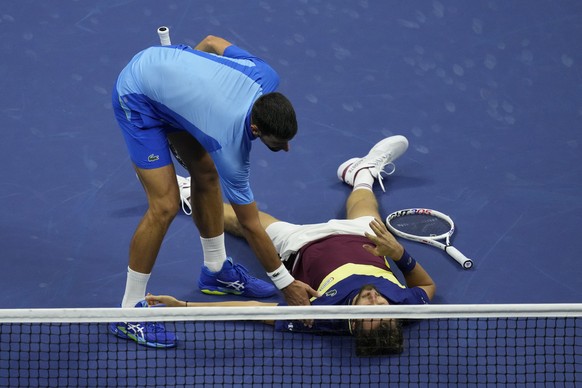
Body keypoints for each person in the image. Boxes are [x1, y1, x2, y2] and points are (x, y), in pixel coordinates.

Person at [108, 34, 319, 348]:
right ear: (256, 130)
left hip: (168, 82)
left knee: (205, 174)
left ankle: (217, 271)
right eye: (278, 143)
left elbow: (210, 42)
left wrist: (190, 82)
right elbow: (249, 224)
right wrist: (285, 283)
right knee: (164, 206)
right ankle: (128, 312)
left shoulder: (264, 74)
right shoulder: (231, 147)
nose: (286, 148)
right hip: (138, 95)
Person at [147, 135, 436, 354]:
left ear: (354, 323)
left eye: (367, 309)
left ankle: (186, 191)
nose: (374, 300)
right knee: (366, 205)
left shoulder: (319, 319)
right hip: (364, 239)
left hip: (302, 245)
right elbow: (427, 287)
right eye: (382, 305)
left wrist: (182, 305)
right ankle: (362, 173)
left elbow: (255, 312)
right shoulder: (405, 308)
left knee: (245, 223)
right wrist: (399, 254)